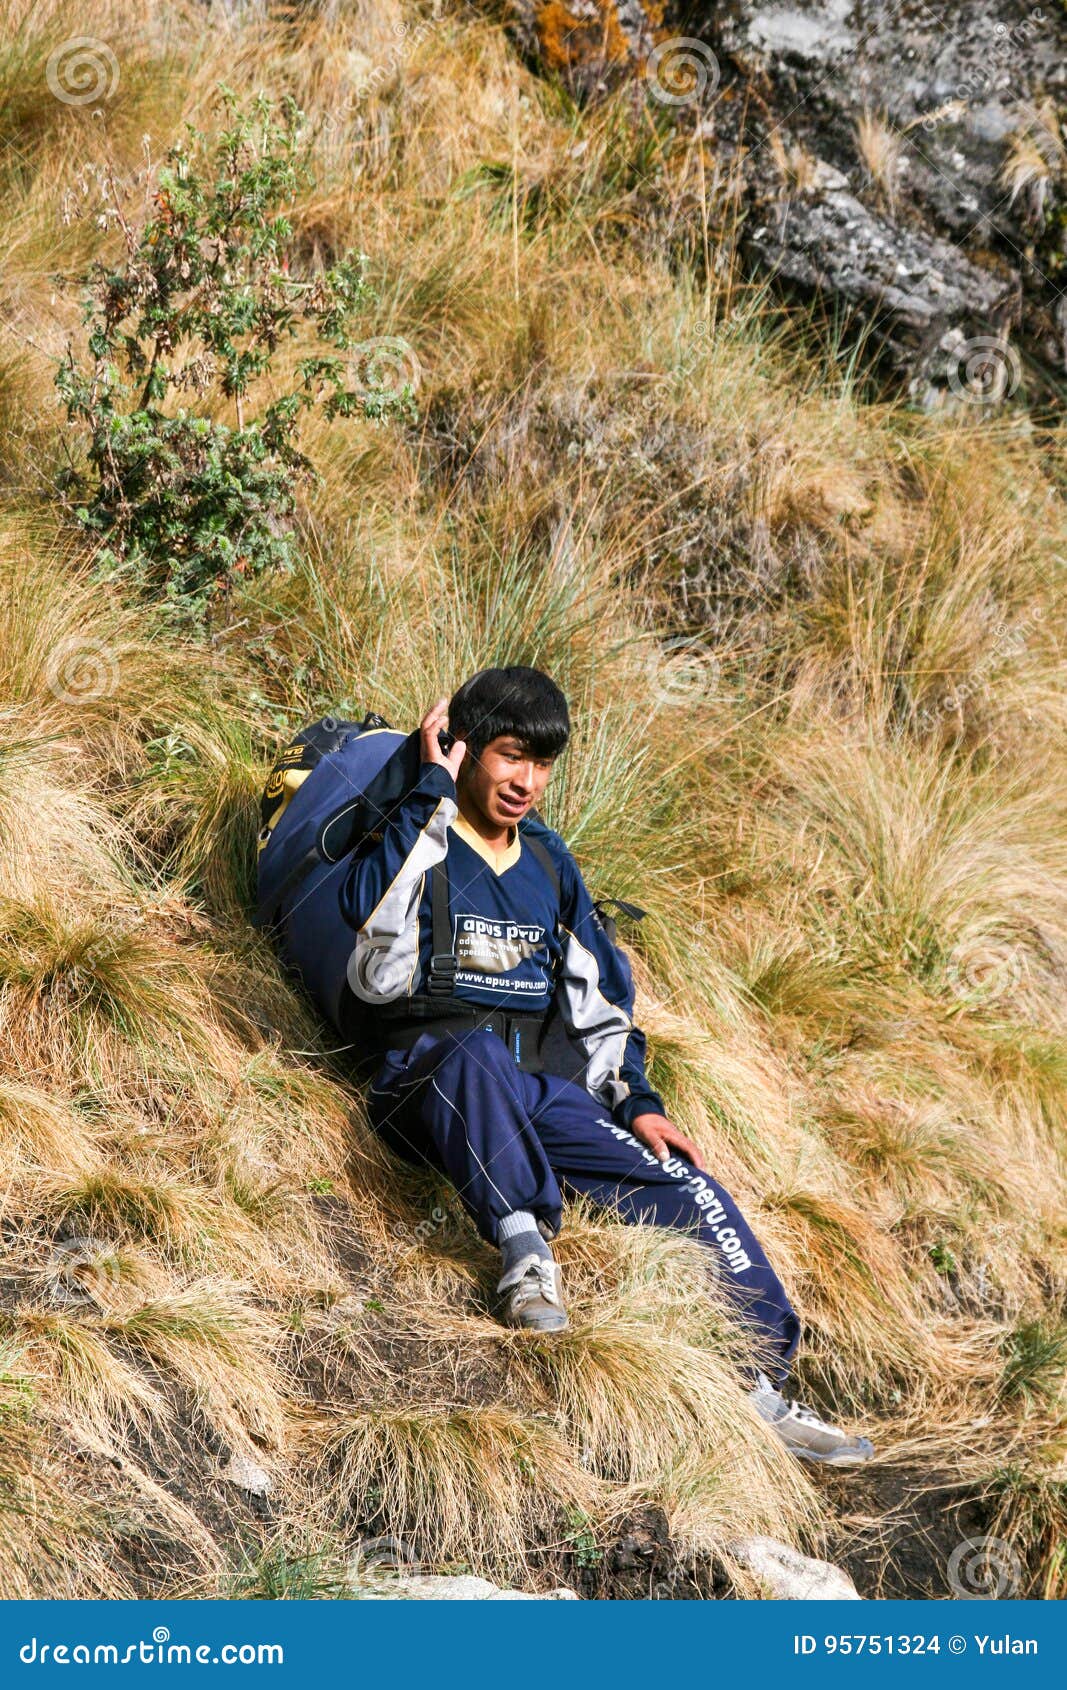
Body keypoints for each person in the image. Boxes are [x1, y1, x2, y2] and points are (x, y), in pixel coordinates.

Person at [340, 667, 873, 1466]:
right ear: (467, 749)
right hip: (421, 1081)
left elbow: (602, 1009)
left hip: (529, 1098)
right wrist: (430, 791)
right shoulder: (420, 839)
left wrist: (637, 1102)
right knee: (469, 1051)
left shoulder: (551, 868)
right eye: (510, 756)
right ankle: (525, 1253)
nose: (526, 782)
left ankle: (757, 1380)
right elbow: (370, 969)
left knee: (684, 1181)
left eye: (543, 764)